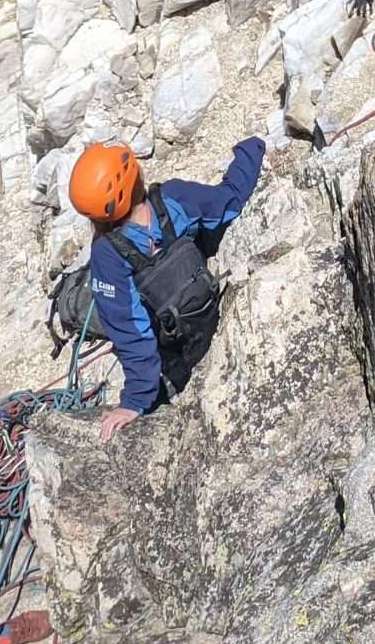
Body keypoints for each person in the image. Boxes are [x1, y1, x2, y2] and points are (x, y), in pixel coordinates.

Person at [72, 136, 267, 443]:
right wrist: (252, 149)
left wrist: (135, 402)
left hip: (169, 346)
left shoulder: (107, 255)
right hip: (201, 314)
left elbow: (130, 332)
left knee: (100, 305)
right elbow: (230, 199)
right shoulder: (175, 198)